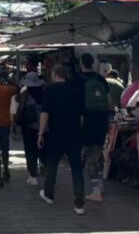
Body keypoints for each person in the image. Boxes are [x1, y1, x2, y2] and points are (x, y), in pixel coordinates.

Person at [38, 65, 85, 215]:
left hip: (56, 133)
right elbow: (82, 116)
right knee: (76, 167)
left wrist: (40, 133)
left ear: (55, 75)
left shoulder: (49, 90)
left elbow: (45, 113)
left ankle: (49, 194)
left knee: (52, 164)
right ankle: (79, 203)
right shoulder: (76, 90)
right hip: (74, 133)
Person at [78, 53, 112, 202]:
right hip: (102, 121)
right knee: (99, 152)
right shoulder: (101, 79)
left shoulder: (78, 80)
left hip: (87, 121)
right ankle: (101, 186)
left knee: (90, 155)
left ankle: (96, 191)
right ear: (93, 63)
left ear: (81, 63)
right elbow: (109, 102)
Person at [16, 72, 46, 185]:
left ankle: (33, 175)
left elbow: (19, 105)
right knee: (43, 149)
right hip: (44, 126)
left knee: (30, 150)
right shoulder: (44, 93)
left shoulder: (25, 93)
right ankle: (43, 166)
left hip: (29, 126)